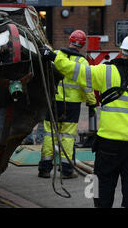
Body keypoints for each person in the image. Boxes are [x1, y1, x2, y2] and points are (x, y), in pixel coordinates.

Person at [41, 34, 128, 208]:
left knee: (101, 183)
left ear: (121, 52)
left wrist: (55, 57)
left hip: (108, 144)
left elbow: (75, 71)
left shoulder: (105, 72)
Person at [38, 30, 97, 179]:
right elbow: (87, 85)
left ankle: (44, 169)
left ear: (69, 40)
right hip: (71, 106)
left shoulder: (56, 54)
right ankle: (66, 171)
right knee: (67, 136)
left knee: (49, 134)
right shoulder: (82, 62)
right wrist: (91, 102)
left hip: (53, 101)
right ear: (82, 45)